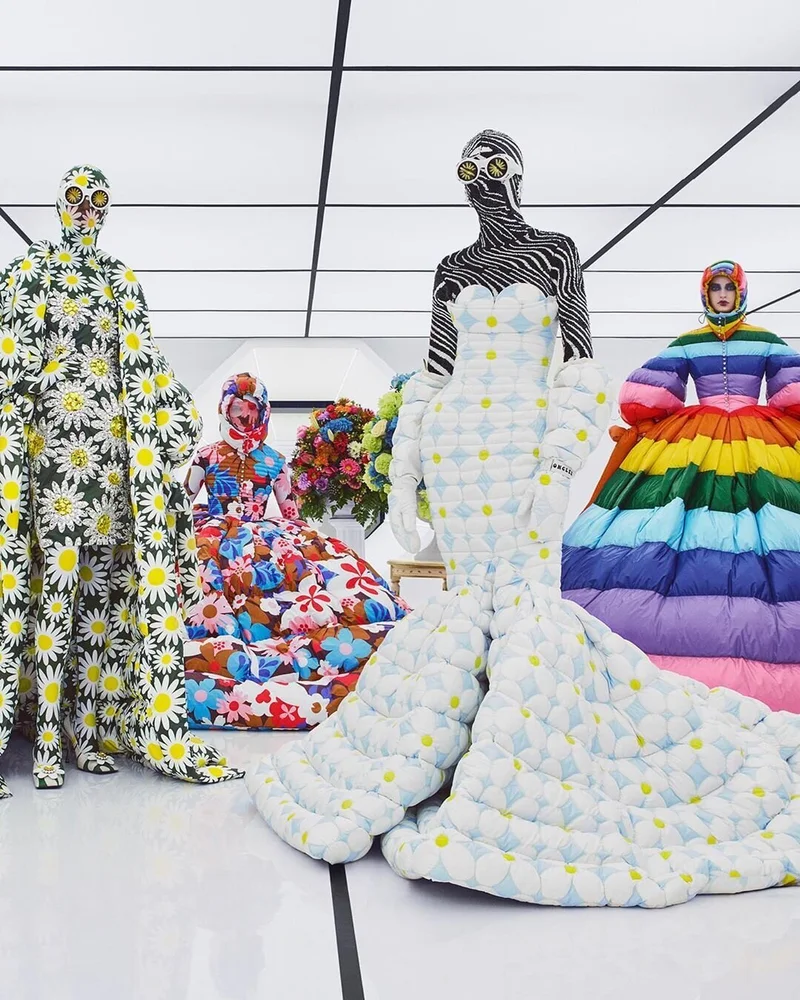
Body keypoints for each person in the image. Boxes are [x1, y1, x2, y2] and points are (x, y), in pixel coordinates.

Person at [246, 137, 800, 908]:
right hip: (457, 451)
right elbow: (435, 372)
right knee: (468, 602)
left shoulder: (556, 253)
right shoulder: (451, 269)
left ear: (517, 174)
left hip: (527, 446)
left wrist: (562, 460)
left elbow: (580, 363)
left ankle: (521, 758)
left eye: (494, 167)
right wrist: (405, 470)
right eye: (468, 171)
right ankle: (445, 746)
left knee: (528, 605)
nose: (481, 183)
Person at [0, 165, 241, 793]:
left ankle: (84, 733)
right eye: (75, 198)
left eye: (97, 200)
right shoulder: (30, 271)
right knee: (54, 591)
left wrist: (175, 417)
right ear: (57, 205)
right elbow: (13, 360)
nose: (86, 210)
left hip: (111, 458)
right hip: (54, 454)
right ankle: (45, 740)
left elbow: (143, 361)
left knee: (98, 599)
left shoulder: (119, 278)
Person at [562, 261, 800, 711]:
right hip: (707, 436)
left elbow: (790, 385)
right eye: (716, 288)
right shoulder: (690, 342)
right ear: (705, 294)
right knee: (669, 516)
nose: (723, 294)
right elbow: (650, 391)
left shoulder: (766, 340)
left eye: (730, 287)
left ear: (741, 291)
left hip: (748, 439)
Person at [182, 373, 408, 730]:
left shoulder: (274, 461)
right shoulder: (207, 455)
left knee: (308, 578)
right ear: (224, 410)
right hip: (211, 534)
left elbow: (290, 512)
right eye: (237, 408)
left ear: (263, 411)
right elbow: (182, 503)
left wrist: (302, 541)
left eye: (251, 408)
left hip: (263, 535)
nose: (244, 416)